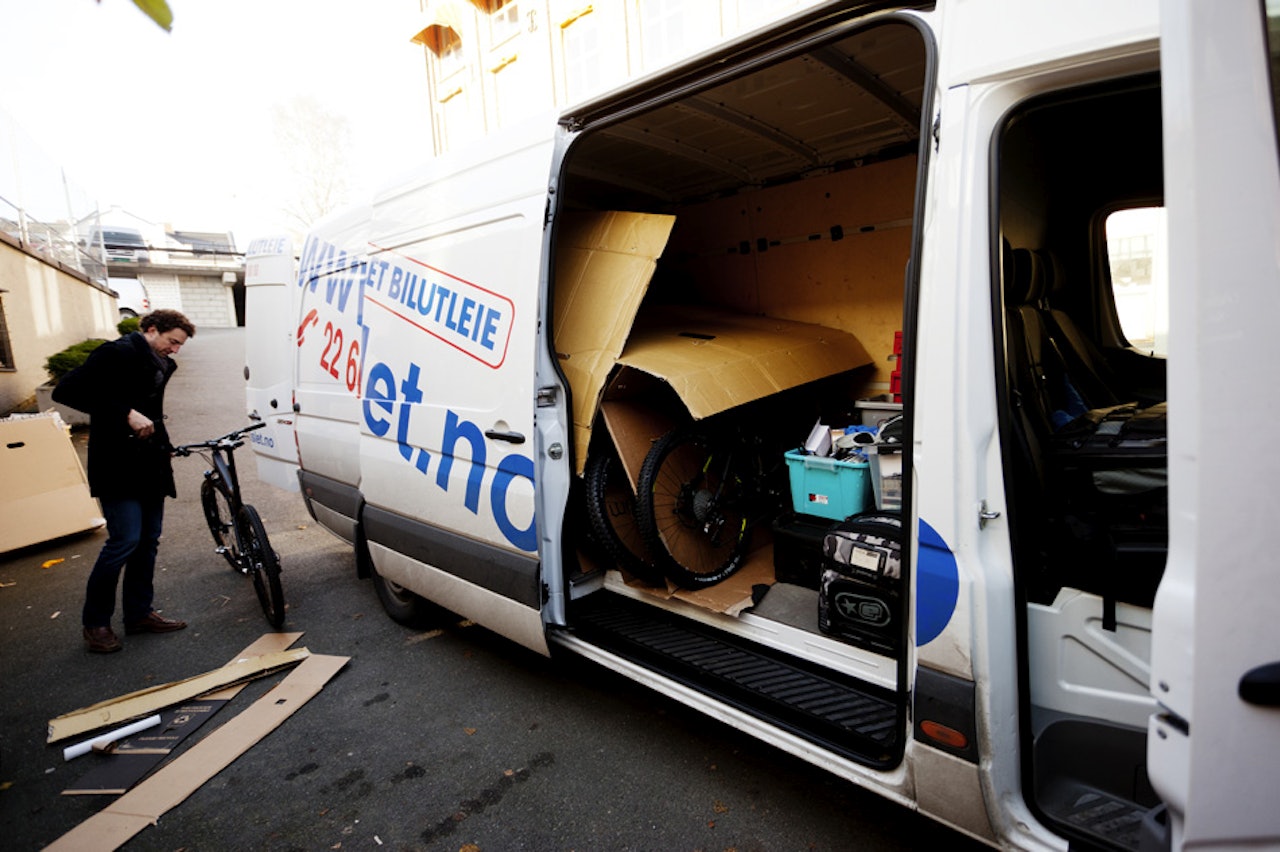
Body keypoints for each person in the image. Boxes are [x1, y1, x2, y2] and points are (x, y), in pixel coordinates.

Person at [53, 309, 196, 653]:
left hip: (150, 463)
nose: (175, 350)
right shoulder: (115, 352)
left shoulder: (164, 365)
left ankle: (138, 614)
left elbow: (152, 409)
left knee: (148, 541)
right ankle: (96, 623)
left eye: (180, 345)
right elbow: (65, 390)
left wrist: (165, 446)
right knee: (124, 541)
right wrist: (124, 412)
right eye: (172, 341)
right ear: (150, 330)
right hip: (117, 464)